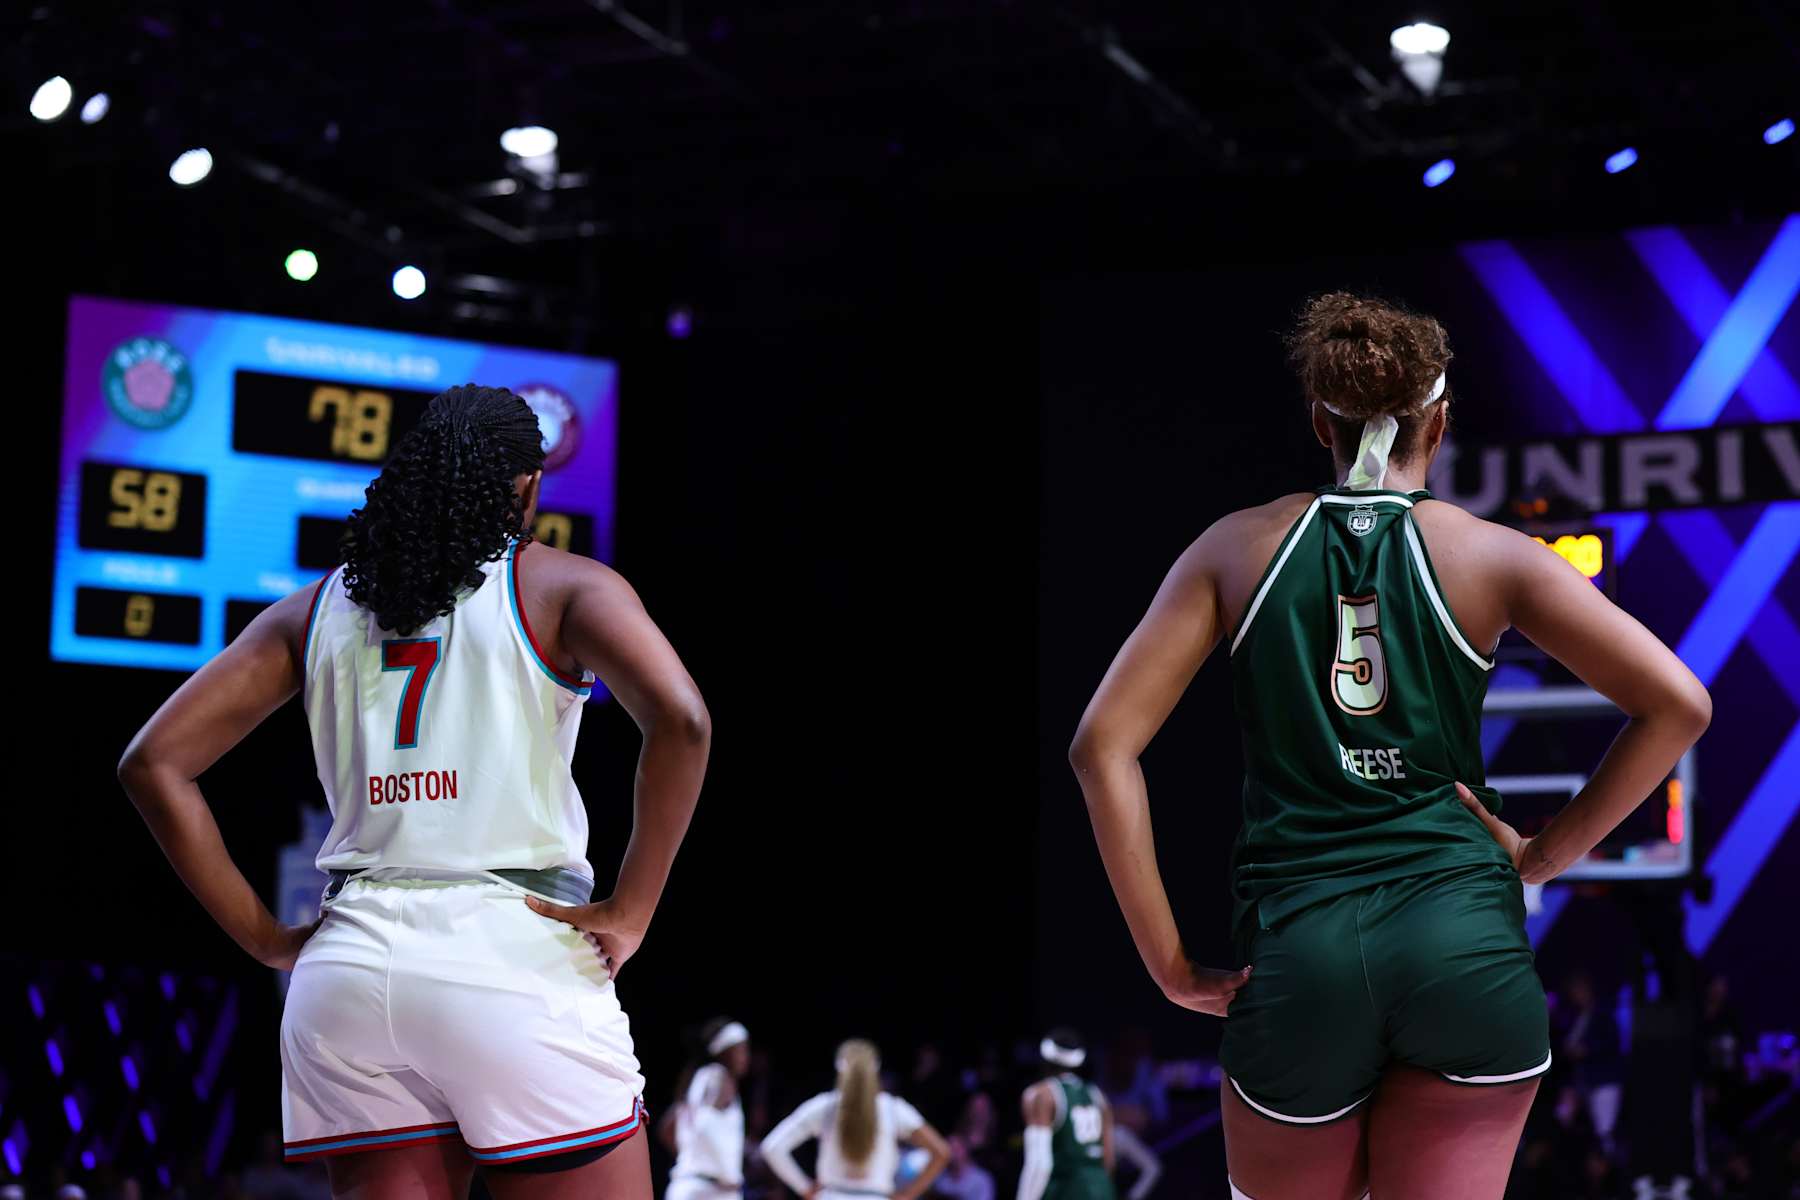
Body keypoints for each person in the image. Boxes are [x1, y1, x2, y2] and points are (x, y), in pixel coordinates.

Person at [1068, 293, 1711, 1200]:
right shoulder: (1493, 555)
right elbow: (1680, 704)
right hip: (1464, 947)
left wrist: (1171, 967)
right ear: (1439, 423)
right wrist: (1542, 856)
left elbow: (1101, 748)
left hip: (1303, 955)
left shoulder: (1233, 548)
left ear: (1317, 420)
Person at [118, 385, 712, 1200]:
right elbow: (682, 723)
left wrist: (264, 938)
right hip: (510, 954)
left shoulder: (313, 608)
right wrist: (632, 910)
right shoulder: (560, 586)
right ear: (529, 485)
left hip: (349, 970)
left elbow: (152, 763)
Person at [761, 1039, 951, 1200]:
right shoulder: (893, 1110)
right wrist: (907, 1195)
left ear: (839, 1069)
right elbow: (941, 1152)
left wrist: (805, 1188)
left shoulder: (824, 1107)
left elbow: (772, 1147)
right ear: (876, 1071)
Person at [1017, 1030, 1115, 1200]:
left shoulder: (1041, 1094)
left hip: (1066, 1188)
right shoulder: (1098, 1095)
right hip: (1102, 1188)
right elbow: (1109, 1160)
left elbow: (1040, 1164)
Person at [664, 1018, 753, 1200]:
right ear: (724, 1051)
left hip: (687, 1184)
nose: (746, 1057)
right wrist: (728, 1173)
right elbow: (704, 1124)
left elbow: (667, 1129)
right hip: (712, 1190)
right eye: (741, 1050)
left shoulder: (695, 1081)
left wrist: (692, 1158)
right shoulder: (719, 1077)